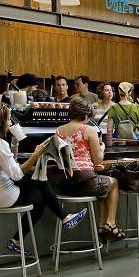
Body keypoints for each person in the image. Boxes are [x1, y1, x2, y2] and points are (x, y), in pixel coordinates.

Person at [0, 101, 87, 254]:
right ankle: (64, 218)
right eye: (7, 119)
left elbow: (7, 165)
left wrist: (14, 145)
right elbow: (16, 174)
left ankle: (18, 240)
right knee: (38, 183)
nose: (10, 122)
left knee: (38, 188)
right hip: (0, 196)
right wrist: (36, 154)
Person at [55, 97, 123, 240]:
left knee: (103, 185)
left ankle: (101, 226)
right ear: (85, 115)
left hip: (65, 184)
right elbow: (98, 158)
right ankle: (110, 224)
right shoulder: (89, 129)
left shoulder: (59, 130)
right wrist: (102, 148)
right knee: (114, 183)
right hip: (85, 183)